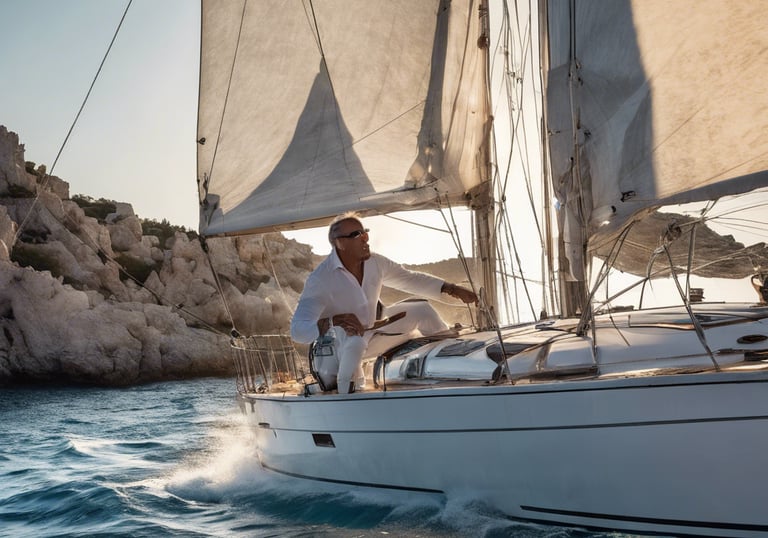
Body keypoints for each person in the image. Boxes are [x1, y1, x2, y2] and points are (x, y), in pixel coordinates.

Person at [290, 212, 478, 394]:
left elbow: (408, 278)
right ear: (340, 243)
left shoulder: (375, 262)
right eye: (358, 235)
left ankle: (451, 363)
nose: (365, 239)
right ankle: (347, 393)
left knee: (423, 310)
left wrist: (451, 288)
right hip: (341, 350)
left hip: (373, 332)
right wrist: (335, 321)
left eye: (365, 233)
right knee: (353, 350)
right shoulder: (321, 279)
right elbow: (298, 330)